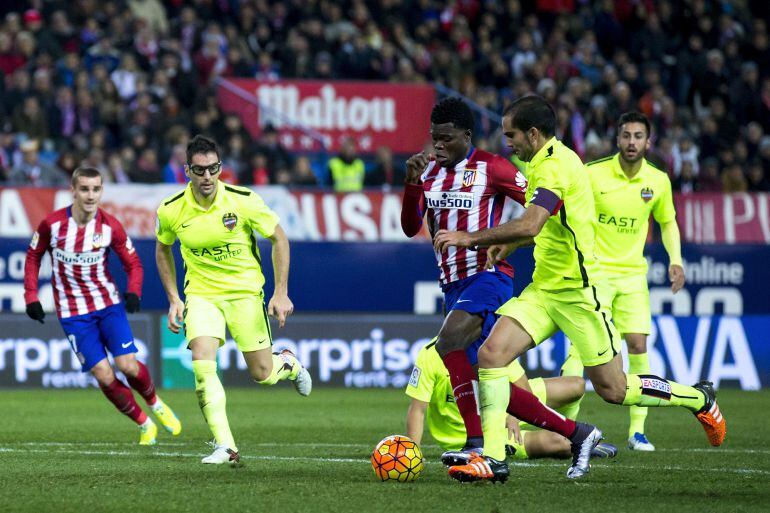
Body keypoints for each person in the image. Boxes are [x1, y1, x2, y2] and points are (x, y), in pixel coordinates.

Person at [434, 95, 726, 482]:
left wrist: (470, 238)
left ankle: (698, 398)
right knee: (491, 355)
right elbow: (545, 224)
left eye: (512, 135)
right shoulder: (540, 161)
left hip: (578, 294)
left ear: (533, 134)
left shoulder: (555, 167)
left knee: (614, 388)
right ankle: (491, 458)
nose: (508, 143)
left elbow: (532, 224)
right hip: (544, 290)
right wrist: (511, 243)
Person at [401, 97, 601, 480]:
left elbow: (540, 208)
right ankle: (579, 433)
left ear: (466, 136)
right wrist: (411, 185)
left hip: (489, 277)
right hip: (453, 285)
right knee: (485, 378)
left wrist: (497, 240)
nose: (438, 146)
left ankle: (476, 443)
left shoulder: (493, 168)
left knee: (448, 341)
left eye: (446, 138)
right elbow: (412, 227)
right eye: (434, 139)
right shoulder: (427, 174)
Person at [155, 135, 312, 466]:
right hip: (201, 294)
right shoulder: (171, 210)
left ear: (220, 168)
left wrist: (280, 291)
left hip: (245, 294)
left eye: (213, 168)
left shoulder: (244, 201)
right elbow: (162, 248)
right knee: (201, 363)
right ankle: (226, 447)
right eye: (200, 170)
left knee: (263, 373)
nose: (207, 177)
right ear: (188, 171)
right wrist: (174, 298)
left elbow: (279, 239)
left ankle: (288, 363)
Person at [23, 166, 181, 445]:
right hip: (73, 314)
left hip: (107, 305)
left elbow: (132, 263)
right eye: (84, 189)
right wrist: (31, 296)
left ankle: (155, 404)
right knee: (103, 374)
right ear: (73, 191)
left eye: (96, 189)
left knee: (128, 366)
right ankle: (144, 424)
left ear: (101, 191)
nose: (90, 195)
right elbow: (33, 256)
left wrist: (133, 291)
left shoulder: (110, 226)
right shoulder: (53, 225)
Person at [578, 111, 686, 451]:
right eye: (626, 135)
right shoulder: (592, 174)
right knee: (582, 351)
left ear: (648, 142)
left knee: (638, 345)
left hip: (632, 276)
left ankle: (637, 431)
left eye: (638, 136)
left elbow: (667, 223)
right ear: (617, 139)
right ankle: (566, 429)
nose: (631, 142)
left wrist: (676, 260)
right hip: (595, 274)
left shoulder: (658, 181)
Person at [406, 339, 618, 463]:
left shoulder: (490, 344)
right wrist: (412, 452)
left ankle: (569, 428)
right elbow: (418, 410)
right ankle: (577, 441)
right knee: (561, 445)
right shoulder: (430, 354)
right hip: (466, 434)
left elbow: (522, 385)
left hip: (506, 403)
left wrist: (514, 415)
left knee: (576, 386)